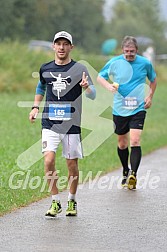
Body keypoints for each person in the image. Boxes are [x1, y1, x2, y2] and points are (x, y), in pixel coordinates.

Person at [29, 31, 96, 217]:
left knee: (71, 165)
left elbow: (93, 95)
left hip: (71, 125)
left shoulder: (79, 69)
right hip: (49, 122)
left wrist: (86, 87)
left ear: (71, 47)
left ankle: (72, 201)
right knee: (48, 160)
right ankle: (55, 201)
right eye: (58, 43)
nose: (61, 47)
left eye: (65, 44)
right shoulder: (45, 68)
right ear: (53, 46)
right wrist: (35, 107)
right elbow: (41, 86)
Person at [97, 36, 157, 190]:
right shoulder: (115, 62)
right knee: (122, 143)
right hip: (120, 108)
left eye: (132, 51)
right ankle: (125, 170)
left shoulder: (145, 63)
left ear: (137, 50)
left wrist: (149, 96)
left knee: (135, 141)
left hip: (138, 108)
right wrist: (109, 87)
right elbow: (100, 77)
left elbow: (153, 80)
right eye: (126, 51)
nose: (129, 54)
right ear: (122, 50)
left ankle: (133, 175)